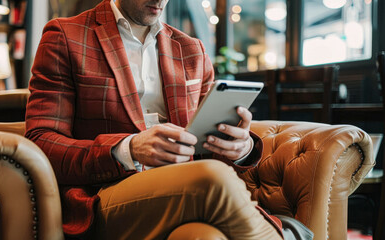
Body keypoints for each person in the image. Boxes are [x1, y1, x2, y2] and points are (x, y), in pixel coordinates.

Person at [25, 0, 294, 239]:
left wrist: (240, 148)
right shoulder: (65, 35)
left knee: (203, 236)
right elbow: (42, 144)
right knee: (211, 178)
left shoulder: (192, 50)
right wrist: (128, 149)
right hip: (102, 196)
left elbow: (206, 147)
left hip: (184, 187)